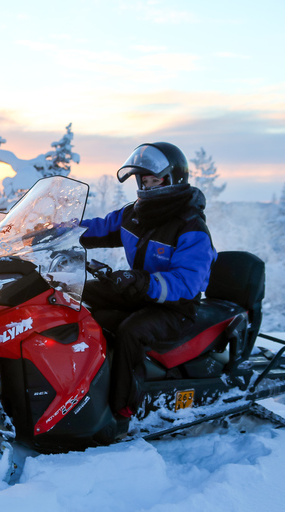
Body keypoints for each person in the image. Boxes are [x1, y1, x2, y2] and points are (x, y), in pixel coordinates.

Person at [80, 142, 216, 417]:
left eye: (154, 179)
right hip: (141, 291)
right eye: (144, 180)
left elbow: (187, 282)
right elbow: (99, 228)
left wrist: (141, 281)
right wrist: (54, 231)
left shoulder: (190, 227)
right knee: (80, 293)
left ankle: (123, 408)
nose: (147, 185)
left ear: (172, 179)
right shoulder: (136, 214)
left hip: (176, 307)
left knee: (131, 332)